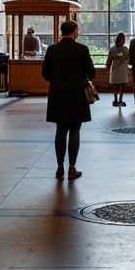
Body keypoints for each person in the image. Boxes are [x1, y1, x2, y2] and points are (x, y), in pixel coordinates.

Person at [42, 20, 97, 179]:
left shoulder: (52, 50)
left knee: (60, 130)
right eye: (77, 30)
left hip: (58, 93)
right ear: (74, 31)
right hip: (77, 94)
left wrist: (58, 79)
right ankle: (72, 168)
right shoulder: (82, 49)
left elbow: (45, 73)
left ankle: (59, 168)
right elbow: (91, 72)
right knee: (75, 129)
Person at [106, 32, 129, 106]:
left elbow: (108, 60)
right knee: (122, 85)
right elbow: (128, 59)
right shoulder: (125, 49)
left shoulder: (112, 49)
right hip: (123, 69)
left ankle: (115, 100)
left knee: (115, 85)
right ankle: (121, 100)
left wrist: (108, 68)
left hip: (115, 68)